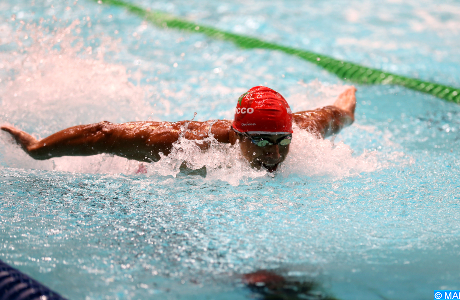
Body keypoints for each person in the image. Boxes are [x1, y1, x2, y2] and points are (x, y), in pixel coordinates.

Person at [1, 85, 356, 172]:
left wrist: (348, 99)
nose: (274, 153)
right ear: (238, 134)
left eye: (282, 141)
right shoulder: (188, 144)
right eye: (262, 140)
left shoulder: (301, 130)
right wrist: (37, 148)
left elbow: (336, 114)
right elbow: (104, 134)